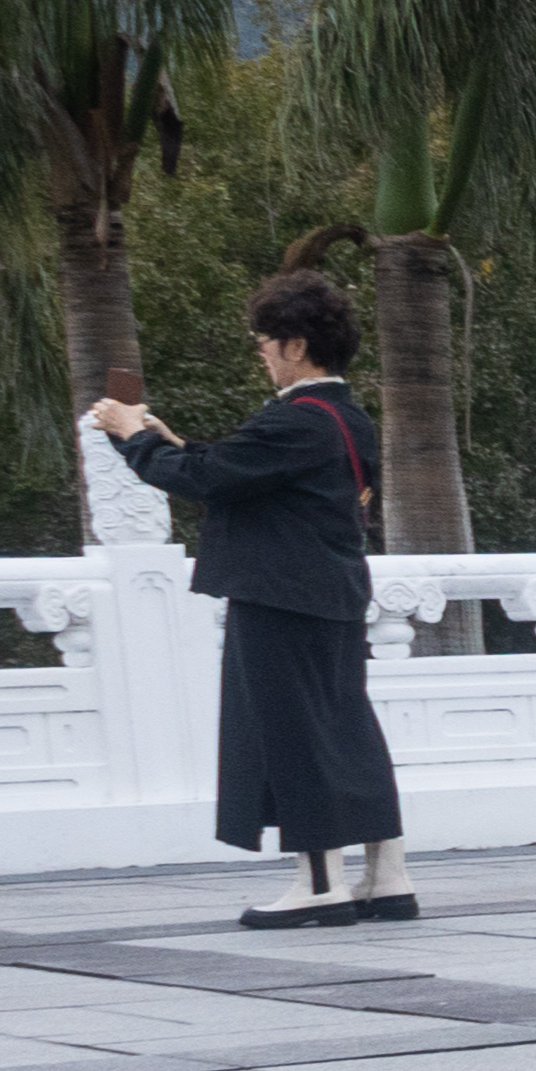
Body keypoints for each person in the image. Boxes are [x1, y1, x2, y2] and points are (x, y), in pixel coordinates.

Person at [90, 267, 409, 932]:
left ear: (294, 344)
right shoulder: (343, 415)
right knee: (345, 727)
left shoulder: (297, 419)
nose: (261, 351)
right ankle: (387, 877)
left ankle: (320, 882)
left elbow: (206, 479)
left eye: (265, 340)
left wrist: (131, 435)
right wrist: (165, 439)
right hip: (331, 592)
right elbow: (241, 470)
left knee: (292, 733)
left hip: (282, 595)